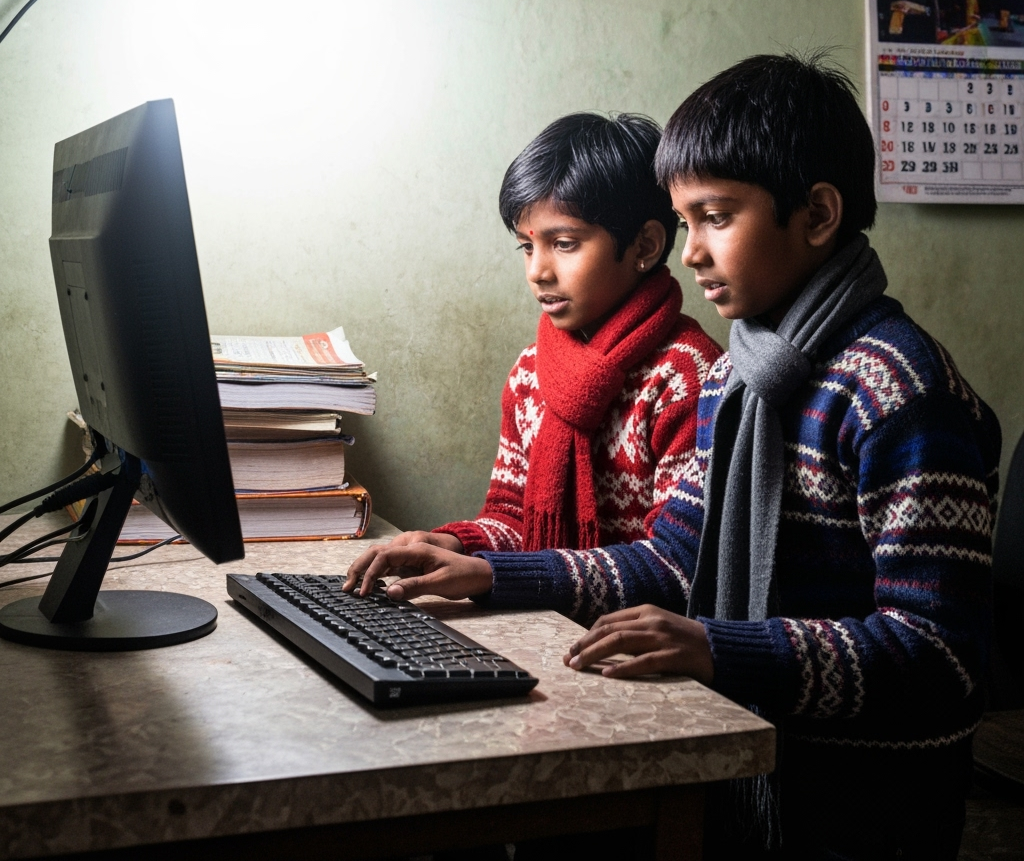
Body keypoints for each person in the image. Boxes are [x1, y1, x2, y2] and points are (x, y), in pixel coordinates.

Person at [346, 55, 1001, 861]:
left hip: (858, 799)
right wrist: (491, 570)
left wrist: (718, 647)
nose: (691, 253)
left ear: (819, 214)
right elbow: (672, 562)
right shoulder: (740, 378)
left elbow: (939, 656)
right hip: (745, 762)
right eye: (686, 222)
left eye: (715, 218)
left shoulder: (898, 391)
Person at [351, 112, 721, 566]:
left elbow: (675, 562)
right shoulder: (531, 371)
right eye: (527, 246)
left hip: (637, 627)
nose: (537, 271)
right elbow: (512, 515)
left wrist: (499, 575)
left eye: (564, 243)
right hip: (544, 607)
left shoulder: (687, 375)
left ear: (644, 246)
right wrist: (457, 543)